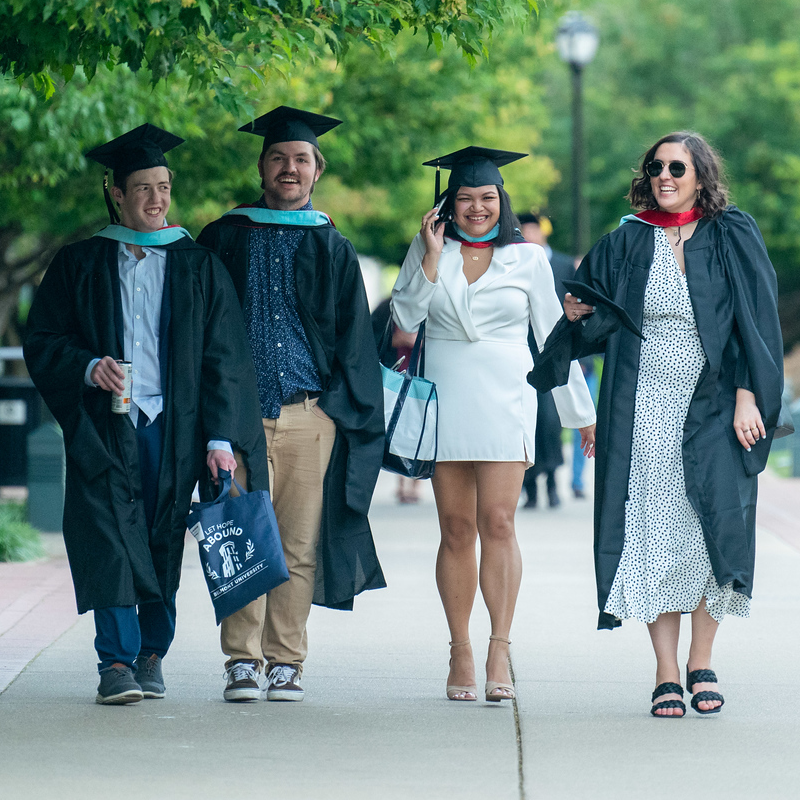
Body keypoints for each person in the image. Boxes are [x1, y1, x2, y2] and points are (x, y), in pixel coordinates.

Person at [538, 131, 784, 716]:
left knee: (710, 534)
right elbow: (588, 320)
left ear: (702, 173)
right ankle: (667, 671)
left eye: (678, 166)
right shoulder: (628, 241)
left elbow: (757, 323)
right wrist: (574, 312)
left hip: (716, 408)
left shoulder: (732, 234)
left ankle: (703, 661)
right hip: (643, 411)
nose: (665, 176)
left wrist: (749, 397)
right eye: (656, 167)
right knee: (654, 540)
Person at [23, 124, 268, 705]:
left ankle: (152, 652)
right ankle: (114, 662)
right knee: (105, 533)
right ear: (116, 193)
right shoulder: (80, 263)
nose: (157, 200)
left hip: (174, 426)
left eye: (163, 186)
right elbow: (44, 340)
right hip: (105, 425)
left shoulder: (198, 266)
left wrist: (220, 438)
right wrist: (87, 367)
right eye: (143, 189)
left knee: (160, 536)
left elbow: (225, 359)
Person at [391, 147, 596, 702]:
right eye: (465, 197)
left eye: (487, 198)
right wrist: (431, 256)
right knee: (456, 529)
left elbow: (555, 339)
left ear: (500, 201)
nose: (477, 207)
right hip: (446, 401)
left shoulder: (527, 259)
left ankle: (499, 645)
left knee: (499, 522)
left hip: (507, 398)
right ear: (448, 203)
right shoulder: (430, 249)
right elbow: (405, 319)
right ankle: (460, 648)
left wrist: (582, 414)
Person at [197, 106, 386, 703]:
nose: (289, 168)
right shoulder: (225, 237)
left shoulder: (332, 244)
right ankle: (241, 662)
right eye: (278, 157)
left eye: (300, 159)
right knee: (239, 535)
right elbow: (200, 334)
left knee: (298, 544)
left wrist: (334, 409)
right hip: (239, 417)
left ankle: (285, 660)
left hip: (309, 416)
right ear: (261, 166)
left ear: (316, 170)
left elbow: (357, 339)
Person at [517, 213, 576, 508]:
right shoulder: (514, 261)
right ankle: (529, 488)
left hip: (554, 354)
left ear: (542, 233)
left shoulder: (563, 265)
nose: (529, 236)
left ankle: (552, 483)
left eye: (533, 230)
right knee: (527, 421)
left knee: (551, 422)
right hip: (522, 355)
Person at [371, 296, 422, 504]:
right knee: (398, 431)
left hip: (421, 379)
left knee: (419, 430)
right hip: (394, 378)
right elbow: (373, 339)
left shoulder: (429, 307)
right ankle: (402, 484)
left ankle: (416, 484)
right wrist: (398, 340)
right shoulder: (386, 309)